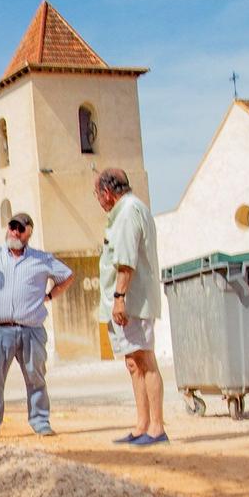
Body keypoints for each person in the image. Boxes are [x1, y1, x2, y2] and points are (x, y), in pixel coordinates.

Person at [0, 211, 72, 438]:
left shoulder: (42, 259)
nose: (15, 231)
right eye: (12, 226)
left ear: (29, 232)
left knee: (36, 377)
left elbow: (67, 276)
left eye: (21, 228)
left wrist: (50, 296)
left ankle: (40, 422)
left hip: (32, 330)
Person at [95, 168, 167, 446]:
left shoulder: (127, 213)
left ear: (107, 193)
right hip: (126, 300)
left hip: (132, 301)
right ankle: (142, 425)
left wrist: (119, 298)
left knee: (144, 360)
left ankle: (157, 428)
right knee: (133, 363)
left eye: (97, 195)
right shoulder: (129, 211)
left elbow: (125, 261)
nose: (98, 201)